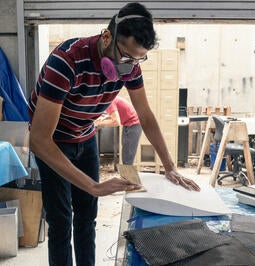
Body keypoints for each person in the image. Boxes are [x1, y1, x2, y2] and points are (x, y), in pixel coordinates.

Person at [28, 2, 200, 266]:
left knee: (87, 219)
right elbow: (39, 141)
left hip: (85, 136)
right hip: (54, 142)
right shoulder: (66, 62)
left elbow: (145, 115)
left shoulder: (129, 66)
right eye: (126, 56)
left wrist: (169, 166)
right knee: (61, 222)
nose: (129, 66)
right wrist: (94, 186)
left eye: (138, 59)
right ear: (107, 36)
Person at [95, 95, 142, 165]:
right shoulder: (109, 98)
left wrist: (98, 124)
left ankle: (128, 175)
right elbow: (116, 114)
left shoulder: (109, 102)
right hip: (128, 124)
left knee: (128, 158)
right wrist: (104, 118)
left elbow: (116, 122)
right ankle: (126, 175)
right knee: (125, 154)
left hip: (134, 124)